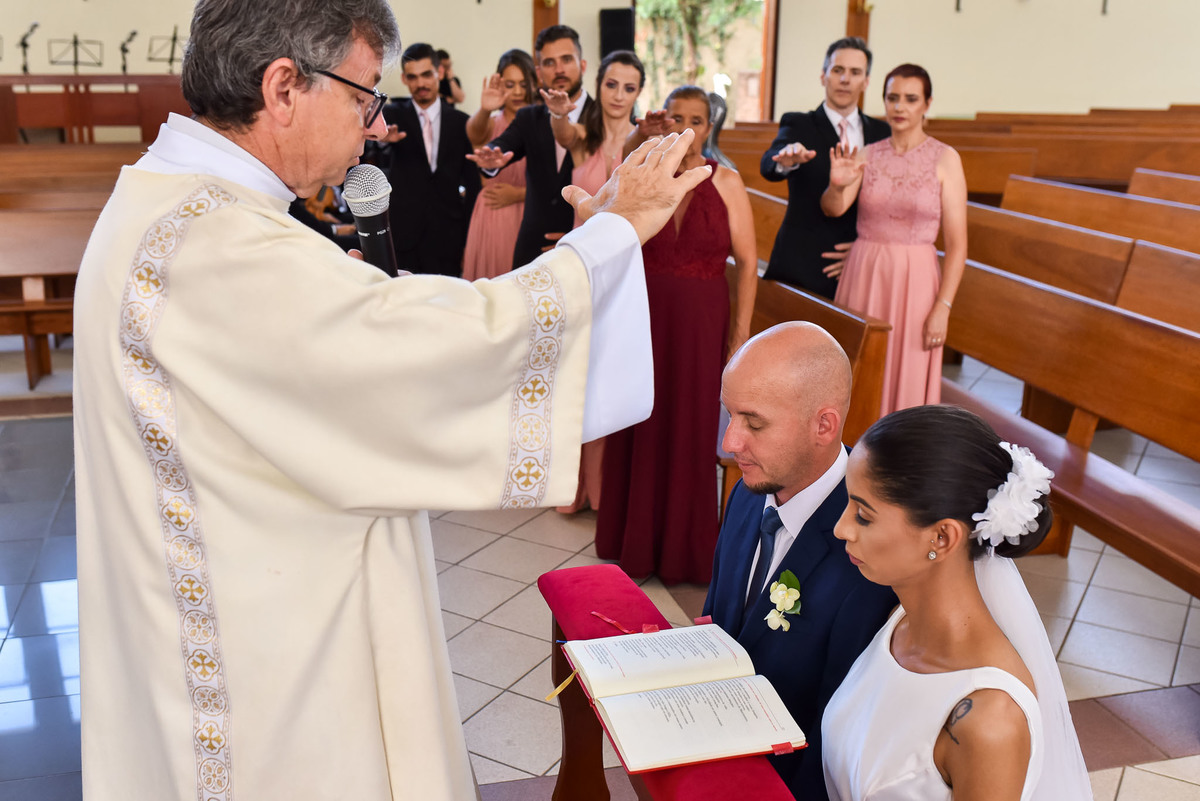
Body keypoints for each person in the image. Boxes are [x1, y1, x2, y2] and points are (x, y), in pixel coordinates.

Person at [71, 0, 713, 797]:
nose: (375, 125)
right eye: (363, 95)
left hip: (219, 607)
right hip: (264, 673)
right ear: (283, 88)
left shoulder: (167, 203)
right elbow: (430, 348)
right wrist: (612, 234)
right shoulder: (219, 243)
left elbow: (336, 350)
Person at [823, 404, 1092, 801]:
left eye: (863, 515)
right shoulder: (900, 623)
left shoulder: (989, 720)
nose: (840, 528)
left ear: (942, 537)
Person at [701, 322, 898, 800]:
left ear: (823, 426)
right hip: (711, 739)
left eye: (754, 423)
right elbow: (718, 622)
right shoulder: (749, 491)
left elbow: (837, 730)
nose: (730, 442)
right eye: (729, 415)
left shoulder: (869, 553)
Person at [596, 86, 758, 585]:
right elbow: (610, 229)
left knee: (691, 423)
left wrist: (741, 335)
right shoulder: (644, 176)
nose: (686, 128)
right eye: (677, 118)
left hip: (702, 321)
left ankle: (685, 549)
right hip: (643, 314)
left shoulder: (726, 181)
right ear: (664, 123)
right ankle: (634, 539)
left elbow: (748, 262)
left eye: (697, 120)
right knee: (640, 417)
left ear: (709, 128)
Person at [823, 63, 967, 414]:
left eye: (910, 99)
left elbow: (958, 245)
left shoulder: (946, 159)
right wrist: (837, 186)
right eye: (892, 98)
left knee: (908, 379)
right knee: (856, 375)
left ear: (927, 104)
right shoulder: (868, 154)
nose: (899, 107)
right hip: (864, 273)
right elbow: (834, 209)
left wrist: (943, 307)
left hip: (916, 281)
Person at [542, 49, 645, 514]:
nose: (619, 95)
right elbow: (565, 133)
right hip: (582, 264)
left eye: (629, 87)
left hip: (623, 263)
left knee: (614, 371)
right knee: (579, 371)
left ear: (639, 92)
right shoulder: (585, 138)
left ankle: (607, 489)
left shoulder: (645, 141)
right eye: (611, 84)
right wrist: (558, 113)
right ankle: (573, 484)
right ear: (598, 85)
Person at [759, 37, 890, 299]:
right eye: (838, 70)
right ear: (823, 76)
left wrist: (861, 249)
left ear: (866, 81)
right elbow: (769, 163)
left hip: (858, 265)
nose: (845, 79)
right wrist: (784, 160)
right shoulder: (798, 123)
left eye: (855, 72)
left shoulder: (882, 133)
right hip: (801, 264)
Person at [470, 24, 592, 269]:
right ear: (539, 72)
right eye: (549, 62)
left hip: (585, 250)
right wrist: (492, 159)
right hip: (531, 252)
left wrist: (579, 237)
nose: (559, 69)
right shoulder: (529, 117)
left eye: (566, 59)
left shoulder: (601, 116)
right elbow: (502, 143)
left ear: (582, 65)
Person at [381, 42, 479, 276]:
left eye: (426, 74)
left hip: (449, 237)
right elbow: (366, 156)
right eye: (413, 77)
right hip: (403, 237)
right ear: (404, 79)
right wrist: (381, 141)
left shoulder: (462, 122)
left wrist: (469, 240)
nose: (421, 84)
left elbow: (473, 186)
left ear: (440, 73)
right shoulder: (388, 117)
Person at [461, 49, 536, 280]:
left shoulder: (541, 123)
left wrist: (519, 194)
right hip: (493, 216)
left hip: (530, 213)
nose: (518, 92)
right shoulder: (491, 123)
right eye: (510, 85)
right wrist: (485, 109)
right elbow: (474, 132)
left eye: (523, 84)